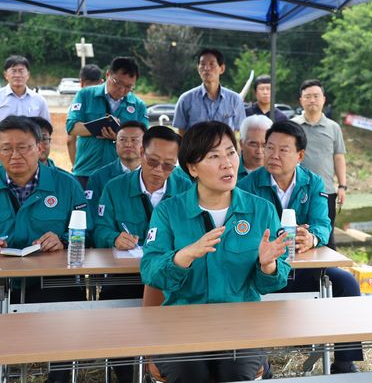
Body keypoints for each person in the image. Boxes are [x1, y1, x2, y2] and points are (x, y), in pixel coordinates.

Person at [140, 121, 290, 383]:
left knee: (236, 374)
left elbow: (276, 280)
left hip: (241, 324)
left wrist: (268, 266)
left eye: (231, 152)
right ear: (192, 167)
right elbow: (150, 271)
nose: (227, 163)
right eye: (214, 156)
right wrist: (184, 255)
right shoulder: (168, 211)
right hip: (181, 325)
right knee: (190, 374)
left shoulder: (261, 210)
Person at [237, 120, 363, 374]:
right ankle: (258, 363)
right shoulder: (247, 186)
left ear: (300, 155)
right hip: (262, 275)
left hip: (301, 270)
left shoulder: (313, 183)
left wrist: (312, 238)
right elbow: (244, 231)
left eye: (283, 150)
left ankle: (343, 363)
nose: (272, 155)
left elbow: (322, 224)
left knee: (345, 283)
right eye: (269, 147)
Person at [93, 125, 190, 383]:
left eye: (169, 165)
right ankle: (127, 374)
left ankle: (162, 370)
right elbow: (99, 228)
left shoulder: (187, 189)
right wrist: (114, 237)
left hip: (170, 278)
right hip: (124, 277)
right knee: (118, 321)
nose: (159, 171)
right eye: (153, 161)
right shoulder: (115, 187)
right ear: (140, 152)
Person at [0, 116, 87, 383]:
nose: (15, 155)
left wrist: (63, 238)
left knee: (69, 311)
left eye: (23, 147)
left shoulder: (66, 185)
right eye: (6, 148)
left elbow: (88, 231)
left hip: (51, 280)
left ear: (40, 148)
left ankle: (60, 377)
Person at [66, 57, 149, 188]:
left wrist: (119, 137)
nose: (122, 90)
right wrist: (99, 129)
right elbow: (72, 127)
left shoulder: (138, 105)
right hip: (87, 170)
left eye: (128, 87)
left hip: (122, 174)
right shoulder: (85, 95)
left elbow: (145, 139)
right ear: (108, 74)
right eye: (118, 83)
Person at [293, 79, 347, 249]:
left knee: (325, 234)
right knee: (297, 234)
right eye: (307, 96)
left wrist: (342, 186)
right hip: (296, 190)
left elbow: (339, 157)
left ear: (324, 99)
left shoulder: (333, 128)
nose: (312, 100)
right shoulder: (293, 126)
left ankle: (328, 274)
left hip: (326, 191)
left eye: (316, 96)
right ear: (301, 100)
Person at [173, 48, 245, 136]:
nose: (206, 68)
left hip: (223, 149)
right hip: (195, 149)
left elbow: (238, 131)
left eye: (212, 64)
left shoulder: (235, 99)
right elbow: (181, 131)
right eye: (202, 64)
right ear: (198, 68)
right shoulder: (186, 99)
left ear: (221, 69)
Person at [85, 120, 146, 221]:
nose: (128, 144)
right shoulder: (98, 177)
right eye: (122, 140)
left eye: (134, 140)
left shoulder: (154, 175)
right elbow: (91, 214)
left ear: (145, 145)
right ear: (115, 143)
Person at [67, 64, 104, 166]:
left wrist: (75, 165)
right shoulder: (107, 102)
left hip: (85, 164)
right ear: (101, 82)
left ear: (81, 82)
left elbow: (70, 140)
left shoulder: (76, 103)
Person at [0, 55, 50, 122]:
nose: (17, 75)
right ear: (6, 75)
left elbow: (45, 129)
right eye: (13, 71)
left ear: (28, 75)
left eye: (21, 71)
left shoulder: (39, 101)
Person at [237, 114, 272, 181]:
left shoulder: (278, 174)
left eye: (265, 145)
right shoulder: (230, 171)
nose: (259, 151)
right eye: (253, 144)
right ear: (241, 144)